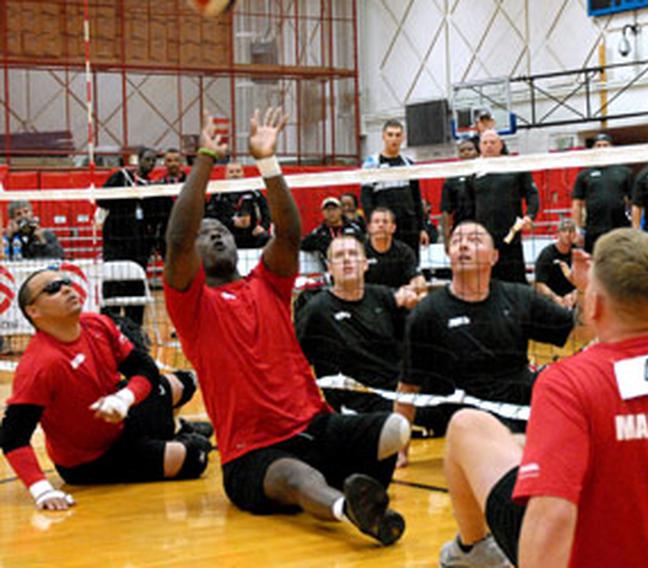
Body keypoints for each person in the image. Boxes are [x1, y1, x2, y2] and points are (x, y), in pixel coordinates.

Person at [439, 228, 648, 568]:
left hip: (580, 550)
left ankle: (476, 548)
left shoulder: (567, 383)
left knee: (466, 425)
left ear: (595, 302)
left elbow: (552, 520)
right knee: (522, 442)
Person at [163, 109, 408, 546]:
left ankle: (358, 490)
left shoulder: (268, 285)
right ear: (192, 255)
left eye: (221, 231)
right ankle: (347, 509)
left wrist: (268, 163)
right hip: (253, 455)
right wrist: (204, 158)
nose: (216, 236)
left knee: (395, 430)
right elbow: (178, 237)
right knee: (298, 477)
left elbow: (290, 234)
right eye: (206, 234)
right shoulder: (192, 305)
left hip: (314, 425)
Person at [1, 269, 212, 510]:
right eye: (53, 289)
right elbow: (12, 437)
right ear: (33, 311)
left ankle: (171, 429)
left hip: (119, 414)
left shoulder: (97, 324)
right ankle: (177, 433)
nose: (66, 289)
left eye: (65, 283)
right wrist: (42, 490)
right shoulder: (40, 365)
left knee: (184, 382)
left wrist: (124, 399)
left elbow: (145, 370)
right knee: (196, 457)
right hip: (92, 459)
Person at [394, 221, 576, 462]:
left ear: (494, 256)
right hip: (472, 417)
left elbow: (576, 334)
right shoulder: (428, 313)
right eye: (457, 241)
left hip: (522, 404)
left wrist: (583, 290)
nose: (464, 246)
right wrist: (399, 451)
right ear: (449, 254)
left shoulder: (519, 297)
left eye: (475, 240)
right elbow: (408, 388)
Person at [295, 236, 451, 436]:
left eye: (353, 254)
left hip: (397, 387)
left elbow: (418, 342)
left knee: (454, 397)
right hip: (360, 398)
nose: (347, 260)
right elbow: (294, 361)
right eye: (339, 256)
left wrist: (418, 308)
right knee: (426, 417)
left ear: (365, 264)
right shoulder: (317, 310)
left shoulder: (382, 296)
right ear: (330, 268)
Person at [98, 146, 158, 326]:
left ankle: (134, 331)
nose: (151, 163)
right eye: (147, 159)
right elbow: (101, 200)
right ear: (138, 160)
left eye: (154, 160)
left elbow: (154, 218)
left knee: (135, 293)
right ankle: (108, 328)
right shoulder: (121, 177)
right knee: (112, 289)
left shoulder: (152, 187)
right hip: (115, 245)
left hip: (139, 250)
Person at [473, 130, 539, 284]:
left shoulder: (515, 166)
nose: (489, 146)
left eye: (493, 142)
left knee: (514, 279)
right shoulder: (473, 170)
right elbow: (468, 203)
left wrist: (530, 216)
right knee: (486, 280)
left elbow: (532, 195)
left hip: (510, 235)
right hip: (483, 237)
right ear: (479, 146)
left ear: (501, 145)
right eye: (485, 143)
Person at [361, 119, 427, 260]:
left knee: (411, 262)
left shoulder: (409, 164)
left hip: (409, 226)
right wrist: (372, 224)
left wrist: (422, 228)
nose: (394, 139)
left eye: (398, 135)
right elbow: (366, 199)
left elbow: (416, 198)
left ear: (403, 138)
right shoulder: (372, 163)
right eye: (390, 135)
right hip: (384, 226)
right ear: (383, 137)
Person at [571, 133, 632, 252]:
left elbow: (633, 202)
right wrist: (577, 230)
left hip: (619, 228)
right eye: (598, 146)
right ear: (593, 149)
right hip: (594, 229)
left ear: (611, 148)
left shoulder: (624, 172)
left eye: (605, 145)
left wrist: (635, 227)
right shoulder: (584, 174)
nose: (602, 148)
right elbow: (577, 203)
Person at [364, 207, 426, 294]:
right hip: (369, 299)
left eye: (385, 222)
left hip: (398, 298)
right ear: (369, 227)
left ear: (393, 228)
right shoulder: (360, 251)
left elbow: (419, 281)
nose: (381, 225)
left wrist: (408, 289)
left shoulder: (404, 251)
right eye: (376, 221)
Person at [300, 197, 363, 263]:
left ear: (340, 210)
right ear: (323, 213)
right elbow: (303, 245)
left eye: (334, 209)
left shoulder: (353, 228)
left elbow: (363, 246)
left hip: (352, 264)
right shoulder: (319, 233)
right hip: (331, 267)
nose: (331, 213)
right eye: (328, 210)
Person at [441, 139, 479, 245]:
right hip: (461, 229)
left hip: (483, 228)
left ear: (477, 152)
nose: (466, 152)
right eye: (462, 150)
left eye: (470, 149)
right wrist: (446, 238)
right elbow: (446, 211)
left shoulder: (484, 174)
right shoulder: (451, 179)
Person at [533, 218, 577, 308]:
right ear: (557, 234)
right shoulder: (547, 254)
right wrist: (555, 298)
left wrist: (573, 296)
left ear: (575, 234)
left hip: (573, 299)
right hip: (551, 300)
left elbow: (585, 282)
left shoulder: (578, 253)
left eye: (571, 231)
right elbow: (540, 284)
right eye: (564, 230)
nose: (568, 234)